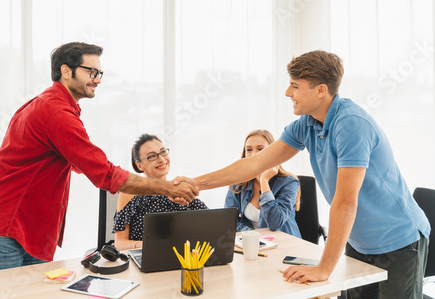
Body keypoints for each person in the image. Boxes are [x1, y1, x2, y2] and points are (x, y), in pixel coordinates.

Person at [176, 50, 430, 298]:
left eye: (295, 86)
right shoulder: (306, 124)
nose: (288, 93)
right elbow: (255, 164)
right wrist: (196, 183)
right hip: (359, 240)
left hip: (398, 240)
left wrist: (324, 268)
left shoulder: (351, 124)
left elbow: (345, 202)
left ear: (321, 90)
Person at [0, 42, 198, 273]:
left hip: (26, 230)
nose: (97, 79)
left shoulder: (52, 107)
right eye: (91, 71)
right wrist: (168, 188)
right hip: (6, 226)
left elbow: (82, 163)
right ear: (66, 71)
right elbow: (104, 174)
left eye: (100, 73)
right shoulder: (56, 112)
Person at [113, 134, 208, 250]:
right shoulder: (130, 194)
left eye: (163, 152)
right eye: (152, 156)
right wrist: (149, 245)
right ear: (139, 165)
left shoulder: (181, 189)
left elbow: (211, 231)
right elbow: (120, 244)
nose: (162, 159)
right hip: (146, 258)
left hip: (184, 259)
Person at [224, 129, 301, 237]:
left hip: (285, 245)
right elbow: (229, 220)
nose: (254, 154)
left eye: (260, 149)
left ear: (272, 152)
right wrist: (252, 235)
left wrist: (264, 181)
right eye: (249, 150)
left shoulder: (289, 182)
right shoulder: (238, 184)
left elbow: (275, 223)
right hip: (254, 245)